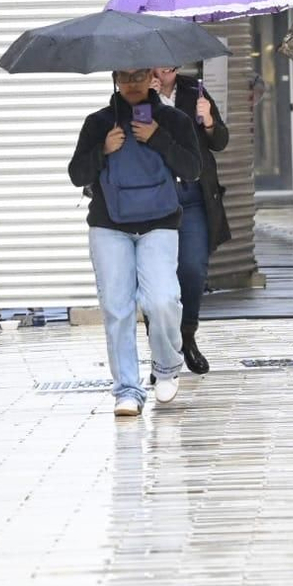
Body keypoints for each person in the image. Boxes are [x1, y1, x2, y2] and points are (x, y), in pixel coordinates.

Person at [68, 68, 202, 418]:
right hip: (109, 225)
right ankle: (127, 390)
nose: (132, 82)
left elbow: (192, 170)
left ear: (151, 77)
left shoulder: (174, 120)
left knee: (163, 300)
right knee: (117, 308)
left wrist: (158, 137)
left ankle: (166, 368)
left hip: (159, 224)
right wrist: (104, 149)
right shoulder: (98, 123)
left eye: (139, 74)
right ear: (114, 77)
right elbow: (76, 174)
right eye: (125, 75)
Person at [151, 65, 232, 373]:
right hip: (157, 198)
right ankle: (162, 351)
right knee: (159, 277)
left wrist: (209, 120)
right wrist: (150, 102)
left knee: (193, 268)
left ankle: (187, 336)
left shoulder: (193, 90)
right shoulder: (138, 94)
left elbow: (220, 141)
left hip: (195, 195)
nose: (166, 65)